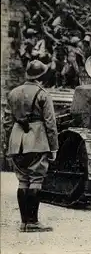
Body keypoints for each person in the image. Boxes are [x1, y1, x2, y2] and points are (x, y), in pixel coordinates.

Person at [3, 60, 59, 232]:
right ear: (42, 76)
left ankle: (24, 222)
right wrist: (53, 147)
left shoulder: (13, 93)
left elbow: (6, 122)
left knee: (22, 181)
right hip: (37, 142)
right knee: (36, 179)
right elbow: (50, 123)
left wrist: (8, 144)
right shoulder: (43, 94)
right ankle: (33, 222)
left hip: (16, 141)